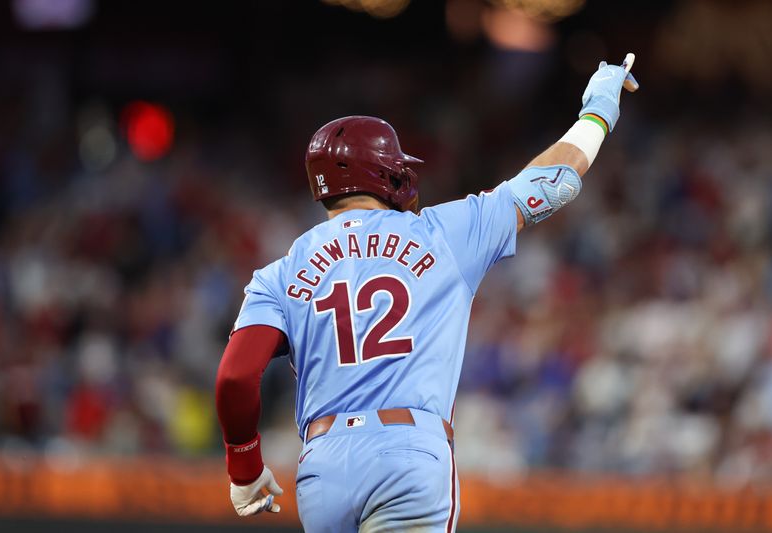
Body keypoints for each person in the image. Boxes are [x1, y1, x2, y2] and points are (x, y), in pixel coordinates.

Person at [215, 56, 639, 532]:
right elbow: (555, 182)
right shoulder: (441, 232)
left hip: (322, 464)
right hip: (409, 452)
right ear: (386, 173)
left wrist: (245, 468)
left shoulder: (280, 271)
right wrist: (598, 111)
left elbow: (235, 377)